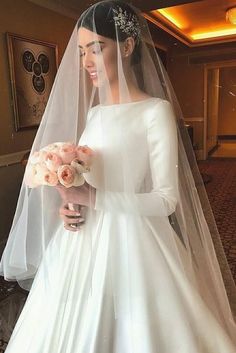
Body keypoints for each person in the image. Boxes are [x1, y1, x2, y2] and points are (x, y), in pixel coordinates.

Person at [1, 1, 236, 352]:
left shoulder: (154, 112)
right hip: (83, 239)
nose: (87, 63)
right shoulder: (95, 113)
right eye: (82, 51)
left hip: (137, 242)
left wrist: (93, 197)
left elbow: (165, 199)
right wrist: (69, 209)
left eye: (96, 48)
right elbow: (88, 179)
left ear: (126, 47)